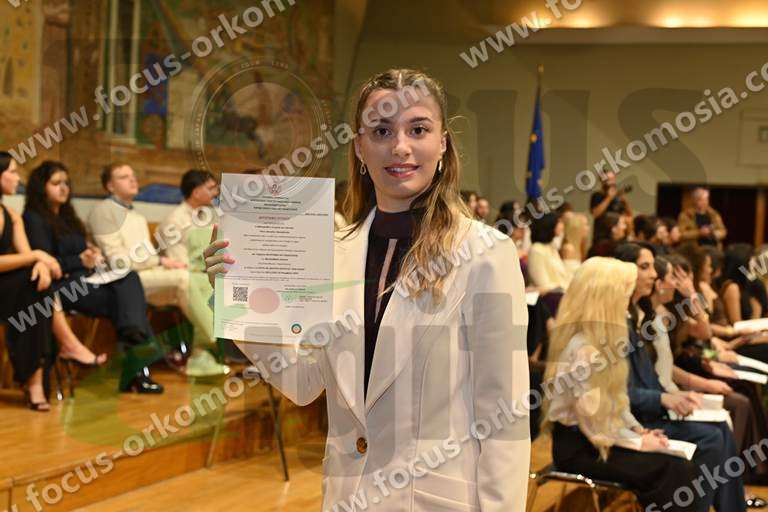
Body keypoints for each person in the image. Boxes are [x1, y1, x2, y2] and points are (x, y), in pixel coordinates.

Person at [205, 69, 530, 511]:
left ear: (442, 143)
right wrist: (237, 295)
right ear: (359, 147)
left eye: (418, 129)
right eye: (381, 131)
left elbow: (503, 414)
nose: (400, 146)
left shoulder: (485, 254)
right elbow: (303, 383)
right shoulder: (332, 252)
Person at [543, 257, 698, 511]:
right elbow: (593, 423)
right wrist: (638, 443)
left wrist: (638, 431)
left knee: (677, 467)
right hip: (580, 447)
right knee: (673, 470)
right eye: (624, 298)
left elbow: (616, 400)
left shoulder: (602, 342)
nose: (627, 307)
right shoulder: (584, 349)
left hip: (600, 437)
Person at [615, 242, 747, 512]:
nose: (654, 275)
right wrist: (666, 399)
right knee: (713, 436)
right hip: (640, 413)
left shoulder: (644, 316)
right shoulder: (635, 320)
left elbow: (664, 367)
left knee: (721, 426)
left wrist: (674, 394)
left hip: (654, 401)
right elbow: (625, 390)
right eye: (646, 267)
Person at [23, 160, 164, 393]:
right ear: (41, 187)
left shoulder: (68, 218)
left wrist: (92, 253)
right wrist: (79, 260)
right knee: (126, 304)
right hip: (59, 287)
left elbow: (80, 250)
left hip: (86, 280)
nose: (63, 188)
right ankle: (138, 360)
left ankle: (135, 344)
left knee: (128, 281)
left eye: (66, 183)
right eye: (56, 183)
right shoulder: (33, 219)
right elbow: (45, 262)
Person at [0, 153, 104, 409]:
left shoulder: (12, 215)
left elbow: (27, 257)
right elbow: (30, 256)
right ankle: (66, 348)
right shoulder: (24, 216)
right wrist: (38, 257)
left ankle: (36, 382)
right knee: (33, 289)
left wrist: (40, 265)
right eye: (12, 171)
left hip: (13, 293)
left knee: (36, 287)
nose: (18, 178)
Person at [87, 163, 190, 316]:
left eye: (133, 176)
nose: (133, 180)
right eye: (124, 177)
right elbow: (118, 261)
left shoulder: (138, 217)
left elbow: (146, 255)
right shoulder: (102, 211)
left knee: (197, 277)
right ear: (110, 186)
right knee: (186, 278)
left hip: (145, 271)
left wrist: (164, 262)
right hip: (123, 279)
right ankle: (210, 330)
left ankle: (210, 329)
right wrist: (159, 261)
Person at [158, 169, 227, 377]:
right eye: (211, 188)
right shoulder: (175, 220)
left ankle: (233, 349)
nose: (216, 192)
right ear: (196, 192)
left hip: (212, 270)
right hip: (189, 273)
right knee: (208, 287)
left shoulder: (210, 215)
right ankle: (203, 352)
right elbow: (178, 261)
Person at [527, 212, 572, 293]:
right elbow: (542, 284)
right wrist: (564, 288)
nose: (562, 226)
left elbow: (563, 276)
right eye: (559, 222)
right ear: (550, 224)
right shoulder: (536, 250)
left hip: (561, 292)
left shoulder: (551, 247)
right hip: (550, 296)